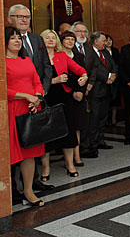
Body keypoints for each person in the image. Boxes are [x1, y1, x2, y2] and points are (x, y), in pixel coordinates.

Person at [7, 4, 55, 192]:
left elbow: (45, 68)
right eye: (19, 16)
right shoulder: (4, 42)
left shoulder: (37, 39)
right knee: (14, 147)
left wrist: (39, 94)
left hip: (35, 101)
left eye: (27, 17)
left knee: (32, 144)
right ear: (11, 18)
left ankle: (33, 182)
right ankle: (11, 189)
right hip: (15, 104)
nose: (24, 20)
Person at [38, 29, 87, 180]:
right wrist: (54, 81)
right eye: (47, 37)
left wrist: (84, 77)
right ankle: (45, 169)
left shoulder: (62, 56)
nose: (51, 40)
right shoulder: (37, 57)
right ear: (41, 40)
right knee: (46, 134)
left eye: (53, 37)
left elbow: (79, 70)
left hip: (64, 99)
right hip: (46, 99)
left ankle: (70, 164)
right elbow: (34, 80)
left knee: (69, 131)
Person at [5, 26, 46, 207]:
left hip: (30, 110)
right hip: (12, 110)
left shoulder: (26, 60)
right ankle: (9, 193)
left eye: (18, 38)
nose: (17, 41)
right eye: (12, 38)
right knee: (12, 154)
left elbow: (36, 81)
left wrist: (36, 97)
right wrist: (25, 96)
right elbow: (3, 89)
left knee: (30, 154)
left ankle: (29, 192)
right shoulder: (2, 62)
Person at [60, 31, 91, 167]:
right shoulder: (58, 57)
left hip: (79, 96)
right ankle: (67, 156)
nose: (70, 42)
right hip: (65, 95)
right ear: (61, 41)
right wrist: (72, 91)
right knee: (67, 127)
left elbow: (84, 74)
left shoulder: (79, 56)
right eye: (67, 39)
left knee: (78, 126)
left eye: (72, 39)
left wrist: (80, 92)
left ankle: (77, 156)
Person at [86, 31, 118, 158]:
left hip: (107, 90)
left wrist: (113, 76)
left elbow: (114, 66)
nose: (105, 43)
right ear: (95, 41)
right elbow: (93, 69)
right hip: (96, 91)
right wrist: (107, 77)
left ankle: (100, 141)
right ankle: (92, 145)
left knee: (103, 118)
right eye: (103, 41)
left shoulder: (105, 52)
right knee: (94, 118)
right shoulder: (89, 52)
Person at [71, 21, 98, 160]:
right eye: (79, 32)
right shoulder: (68, 48)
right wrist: (80, 87)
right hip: (75, 90)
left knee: (87, 119)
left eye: (84, 32)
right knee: (76, 121)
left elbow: (94, 66)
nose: (82, 34)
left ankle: (85, 147)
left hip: (89, 89)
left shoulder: (89, 47)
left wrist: (90, 83)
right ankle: (75, 150)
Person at [105, 34, 120, 126]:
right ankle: (106, 119)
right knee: (107, 100)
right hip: (105, 78)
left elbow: (118, 64)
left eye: (110, 40)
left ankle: (114, 119)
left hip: (115, 79)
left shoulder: (115, 51)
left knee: (115, 100)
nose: (109, 42)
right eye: (107, 40)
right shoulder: (102, 52)